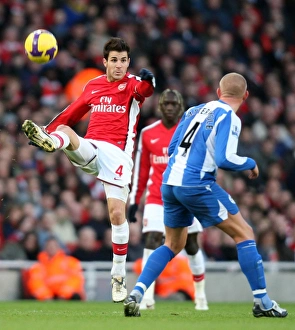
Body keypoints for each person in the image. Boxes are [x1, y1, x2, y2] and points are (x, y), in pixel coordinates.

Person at [124, 72, 288, 318]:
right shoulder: (229, 117)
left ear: (219, 92)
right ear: (245, 96)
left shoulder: (193, 111)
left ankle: (136, 292)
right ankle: (262, 301)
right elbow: (225, 159)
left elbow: (171, 148)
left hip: (169, 183)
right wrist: (251, 163)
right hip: (197, 184)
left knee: (172, 244)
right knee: (245, 233)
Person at [21, 37, 155, 303]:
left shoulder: (132, 85)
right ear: (105, 62)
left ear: (128, 62)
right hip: (93, 147)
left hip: (118, 154)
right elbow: (71, 112)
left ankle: (118, 275)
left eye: (123, 60)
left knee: (117, 214)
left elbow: (146, 91)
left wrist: (150, 81)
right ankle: (50, 141)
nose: (118, 65)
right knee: (64, 130)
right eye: (114, 60)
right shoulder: (93, 85)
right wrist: (46, 130)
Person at [128, 89, 208, 310]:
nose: (170, 107)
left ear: (181, 106)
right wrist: (135, 200)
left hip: (186, 196)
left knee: (191, 246)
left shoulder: (191, 132)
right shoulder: (148, 133)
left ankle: (200, 294)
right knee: (152, 240)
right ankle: (146, 297)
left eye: (174, 104)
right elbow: (142, 170)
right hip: (157, 197)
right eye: (166, 104)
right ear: (160, 106)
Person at [24, 236, 85, 300]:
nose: (51, 248)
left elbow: (76, 279)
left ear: (59, 247)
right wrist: (46, 296)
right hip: (48, 297)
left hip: (67, 296)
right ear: (45, 248)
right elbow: (35, 283)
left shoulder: (70, 262)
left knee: (76, 297)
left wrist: (64, 294)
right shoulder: (38, 266)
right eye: (49, 246)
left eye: (54, 245)